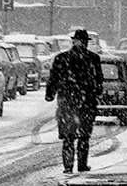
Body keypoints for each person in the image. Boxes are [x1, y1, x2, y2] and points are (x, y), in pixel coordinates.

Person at [43, 27, 104, 174]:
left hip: (67, 103)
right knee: (83, 136)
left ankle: (68, 166)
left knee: (69, 137)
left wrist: (50, 94)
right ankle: (82, 165)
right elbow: (99, 82)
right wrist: (95, 92)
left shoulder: (61, 58)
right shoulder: (93, 59)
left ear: (74, 41)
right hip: (86, 103)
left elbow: (53, 80)